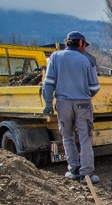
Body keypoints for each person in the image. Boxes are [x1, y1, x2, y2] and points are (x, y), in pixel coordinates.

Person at [42, 31, 100, 184]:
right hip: (83, 104)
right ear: (80, 43)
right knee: (85, 138)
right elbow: (95, 87)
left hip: (63, 104)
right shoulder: (87, 60)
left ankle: (73, 169)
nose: (84, 48)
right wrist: (85, 94)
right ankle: (86, 174)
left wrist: (48, 103)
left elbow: (48, 83)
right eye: (84, 45)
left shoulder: (55, 57)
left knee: (67, 137)